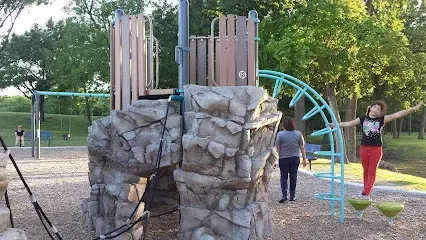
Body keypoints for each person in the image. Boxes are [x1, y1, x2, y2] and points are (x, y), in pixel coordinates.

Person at [330, 101, 424, 198]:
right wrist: (334, 125)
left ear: (380, 113)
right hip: (364, 148)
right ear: (370, 108)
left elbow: (398, 114)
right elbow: (348, 124)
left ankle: (365, 193)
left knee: (372, 171)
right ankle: (365, 191)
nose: (376, 110)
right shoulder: (362, 119)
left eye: (379, 109)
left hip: (376, 149)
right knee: (365, 171)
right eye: (375, 107)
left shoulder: (381, 120)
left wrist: (414, 108)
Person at [275, 117, 307, 203]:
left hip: (283, 158)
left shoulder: (280, 134)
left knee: (283, 177)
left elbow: (277, 148)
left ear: (284, 125)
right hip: (295, 158)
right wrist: (304, 159)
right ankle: (292, 196)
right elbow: (302, 147)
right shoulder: (298, 134)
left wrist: (274, 160)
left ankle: (284, 195)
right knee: (293, 177)